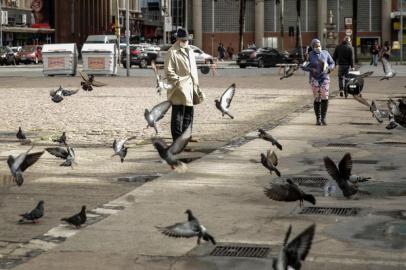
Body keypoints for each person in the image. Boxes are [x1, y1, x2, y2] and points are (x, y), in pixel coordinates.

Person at [164, 28, 199, 142]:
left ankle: (187, 136)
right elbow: (169, 71)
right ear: (178, 39)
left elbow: (193, 69)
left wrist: (196, 84)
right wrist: (178, 81)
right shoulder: (172, 52)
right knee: (178, 114)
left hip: (190, 86)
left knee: (189, 113)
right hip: (179, 87)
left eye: (187, 39)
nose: (186, 41)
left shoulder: (190, 51)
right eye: (183, 39)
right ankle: (178, 141)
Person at [303, 39, 335, 126]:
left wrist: (329, 68)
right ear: (312, 47)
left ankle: (324, 118)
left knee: (325, 96)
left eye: (319, 45)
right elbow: (303, 66)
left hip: (324, 77)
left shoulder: (325, 53)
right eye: (316, 46)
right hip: (315, 78)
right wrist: (311, 69)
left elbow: (332, 63)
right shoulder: (310, 55)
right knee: (317, 98)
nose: (318, 47)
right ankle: (318, 119)